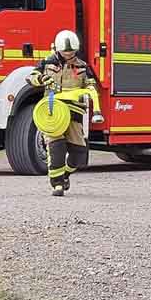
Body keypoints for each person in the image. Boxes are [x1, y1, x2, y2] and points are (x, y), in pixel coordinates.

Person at [27, 30, 102, 197]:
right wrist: (41, 79)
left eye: (72, 52)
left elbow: (91, 84)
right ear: (58, 49)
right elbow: (31, 77)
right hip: (52, 112)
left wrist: (90, 88)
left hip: (74, 111)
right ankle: (57, 184)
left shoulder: (82, 66)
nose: (69, 55)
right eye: (65, 52)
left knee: (79, 152)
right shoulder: (47, 62)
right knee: (56, 147)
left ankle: (65, 174)